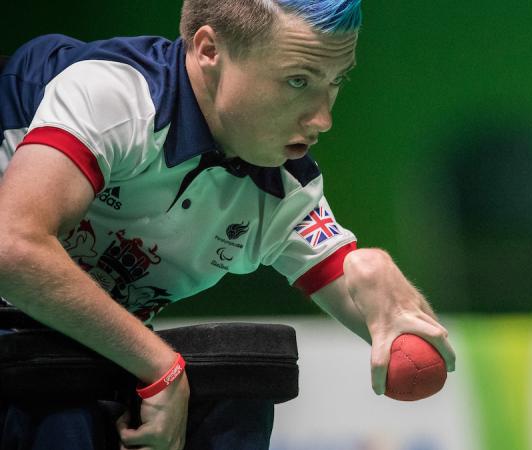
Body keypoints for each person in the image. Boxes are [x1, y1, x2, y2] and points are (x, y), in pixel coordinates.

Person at [0, 0, 456, 448]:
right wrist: (160, 365)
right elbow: (13, 249)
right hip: (23, 357)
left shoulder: (284, 188)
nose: (323, 118)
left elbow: (404, 348)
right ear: (208, 51)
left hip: (67, 355)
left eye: (335, 82)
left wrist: (383, 287)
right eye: (297, 81)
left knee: (238, 385)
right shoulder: (115, 96)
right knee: (61, 404)